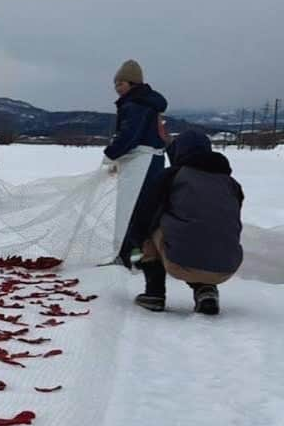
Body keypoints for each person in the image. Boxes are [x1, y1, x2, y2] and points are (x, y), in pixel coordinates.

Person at [131, 130, 243, 315]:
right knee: (209, 228)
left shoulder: (172, 176)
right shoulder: (231, 183)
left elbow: (144, 215)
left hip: (181, 262)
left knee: (151, 229)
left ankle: (154, 294)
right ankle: (205, 290)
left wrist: (135, 248)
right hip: (227, 267)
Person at [103, 59, 168, 265]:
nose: (116, 88)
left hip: (143, 162)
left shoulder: (136, 104)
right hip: (148, 161)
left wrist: (112, 154)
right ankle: (140, 253)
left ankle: (129, 254)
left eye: (120, 84)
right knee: (145, 208)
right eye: (115, 84)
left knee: (132, 209)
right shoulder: (144, 102)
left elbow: (129, 135)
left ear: (132, 83)